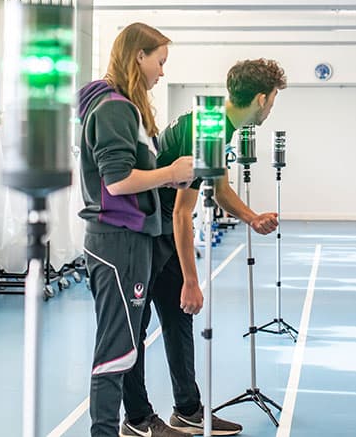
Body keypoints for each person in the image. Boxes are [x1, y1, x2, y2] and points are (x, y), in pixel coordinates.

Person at [120, 58, 287, 436]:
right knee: (138, 329)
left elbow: (220, 186)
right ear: (261, 98)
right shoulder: (207, 128)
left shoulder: (212, 123)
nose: (272, 107)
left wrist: (251, 217)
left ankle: (188, 409)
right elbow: (182, 213)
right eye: (274, 98)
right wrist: (192, 280)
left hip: (162, 232)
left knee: (179, 322)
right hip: (145, 234)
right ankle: (138, 420)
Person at [78, 23, 194, 437]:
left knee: (124, 346)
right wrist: (170, 172)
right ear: (138, 57)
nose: (161, 72)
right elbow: (116, 181)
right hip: (117, 242)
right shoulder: (114, 108)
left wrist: (167, 178)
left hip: (129, 238)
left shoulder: (126, 107)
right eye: (159, 62)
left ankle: (124, 425)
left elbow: (133, 174)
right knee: (116, 348)